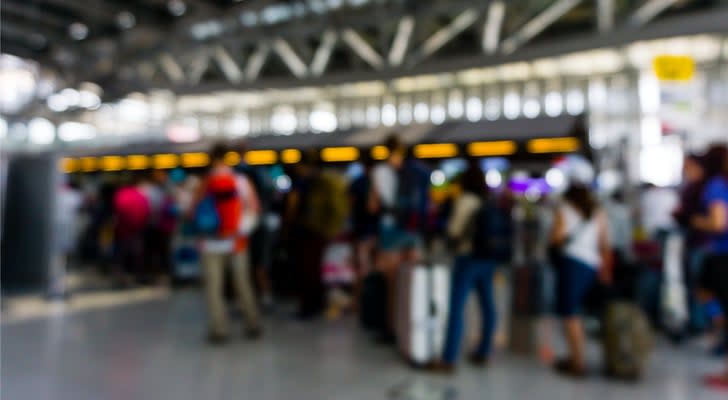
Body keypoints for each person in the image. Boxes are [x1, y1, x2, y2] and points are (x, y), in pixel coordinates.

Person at [434, 159, 498, 372]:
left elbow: (454, 231)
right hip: (488, 258)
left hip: (468, 257)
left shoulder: (465, 200)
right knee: (487, 306)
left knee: (456, 307)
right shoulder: (488, 200)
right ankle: (484, 351)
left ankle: (449, 358)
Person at [550, 158, 611, 377]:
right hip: (592, 265)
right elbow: (604, 243)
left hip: (572, 264)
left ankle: (578, 361)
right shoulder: (598, 210)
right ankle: (576, 356)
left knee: (570, 313)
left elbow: (555, 239)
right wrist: (606, 270)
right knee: (580, 313)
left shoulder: (564, 209)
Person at [195, 144, 261, 344]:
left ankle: (219, 329)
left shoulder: (205, 182)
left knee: (214, 286)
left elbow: (192, 211)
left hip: (210, 242)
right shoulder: (241, 181)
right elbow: (254, 209)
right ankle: (252, 323)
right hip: (236, 241)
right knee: (242, 282)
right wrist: (239, 230)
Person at [287, 149, 349, 319]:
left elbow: (293, 205)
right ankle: (315, 304)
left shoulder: (308, 182)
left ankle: (309, 307)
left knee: (307, 271)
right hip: (319, 231)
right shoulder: (325, 180)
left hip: (309, 231)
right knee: (314, 270)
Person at [692, 144, 728, 389]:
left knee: (712, 299)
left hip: (722, 255)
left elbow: (718, 223)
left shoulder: (716, 185)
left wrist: (696, 220)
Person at [236, 142, 276, 309]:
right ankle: (264, 296)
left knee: (247, 264)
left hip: (243, 227)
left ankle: (250, 299)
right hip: (260, 224)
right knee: (260, 263)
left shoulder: (239, 174)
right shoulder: (261, 173)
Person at [348, 152, 379, 309]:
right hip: (377, 232)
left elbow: (350, 205)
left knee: (361, 269)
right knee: (373, 268)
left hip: (362, 232)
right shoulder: (379, 183)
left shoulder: (359, 183)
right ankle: (370, 302)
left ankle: (359, 302)